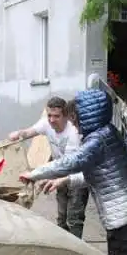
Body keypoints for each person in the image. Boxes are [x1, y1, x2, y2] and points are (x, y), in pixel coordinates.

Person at [19, 89, 127, 255]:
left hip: (124, 218)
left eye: (75, 118)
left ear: (88, 115)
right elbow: (97, 175)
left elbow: (73, 161)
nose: (74, 123)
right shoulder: (108, 132)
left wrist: (34, 173)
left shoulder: (98, 140)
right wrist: (65, 180)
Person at [9, 97, 87, 239]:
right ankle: (64, 246)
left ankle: (76, 251)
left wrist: (38, 175)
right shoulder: (47, 123)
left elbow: (67, 165)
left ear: (66, 116)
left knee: (74, 219)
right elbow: (29, 132)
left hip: (76, 178)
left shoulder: (73, 133)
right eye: (49, 115)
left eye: (56, 116)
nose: (51, 120)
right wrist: (18, 134)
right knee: (62, 217)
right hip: (58, 175)